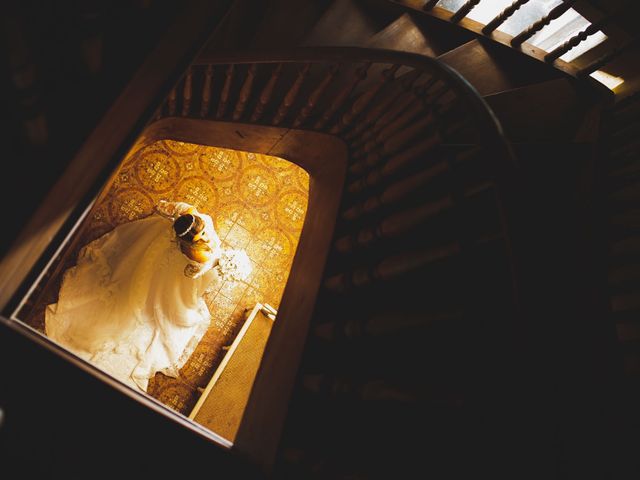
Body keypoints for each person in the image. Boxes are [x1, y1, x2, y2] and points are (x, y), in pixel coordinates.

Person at [45, 200, 240, 392]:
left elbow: (171, 207)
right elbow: (193, 272)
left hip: (165, 242)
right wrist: (219, 264)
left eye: (203, 233)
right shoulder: (196, 254)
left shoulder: (195, 216)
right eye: (200, 239)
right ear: (187, 243)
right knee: (155, 290)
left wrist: (164, 208)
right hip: (176, 266)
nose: (206, 238)